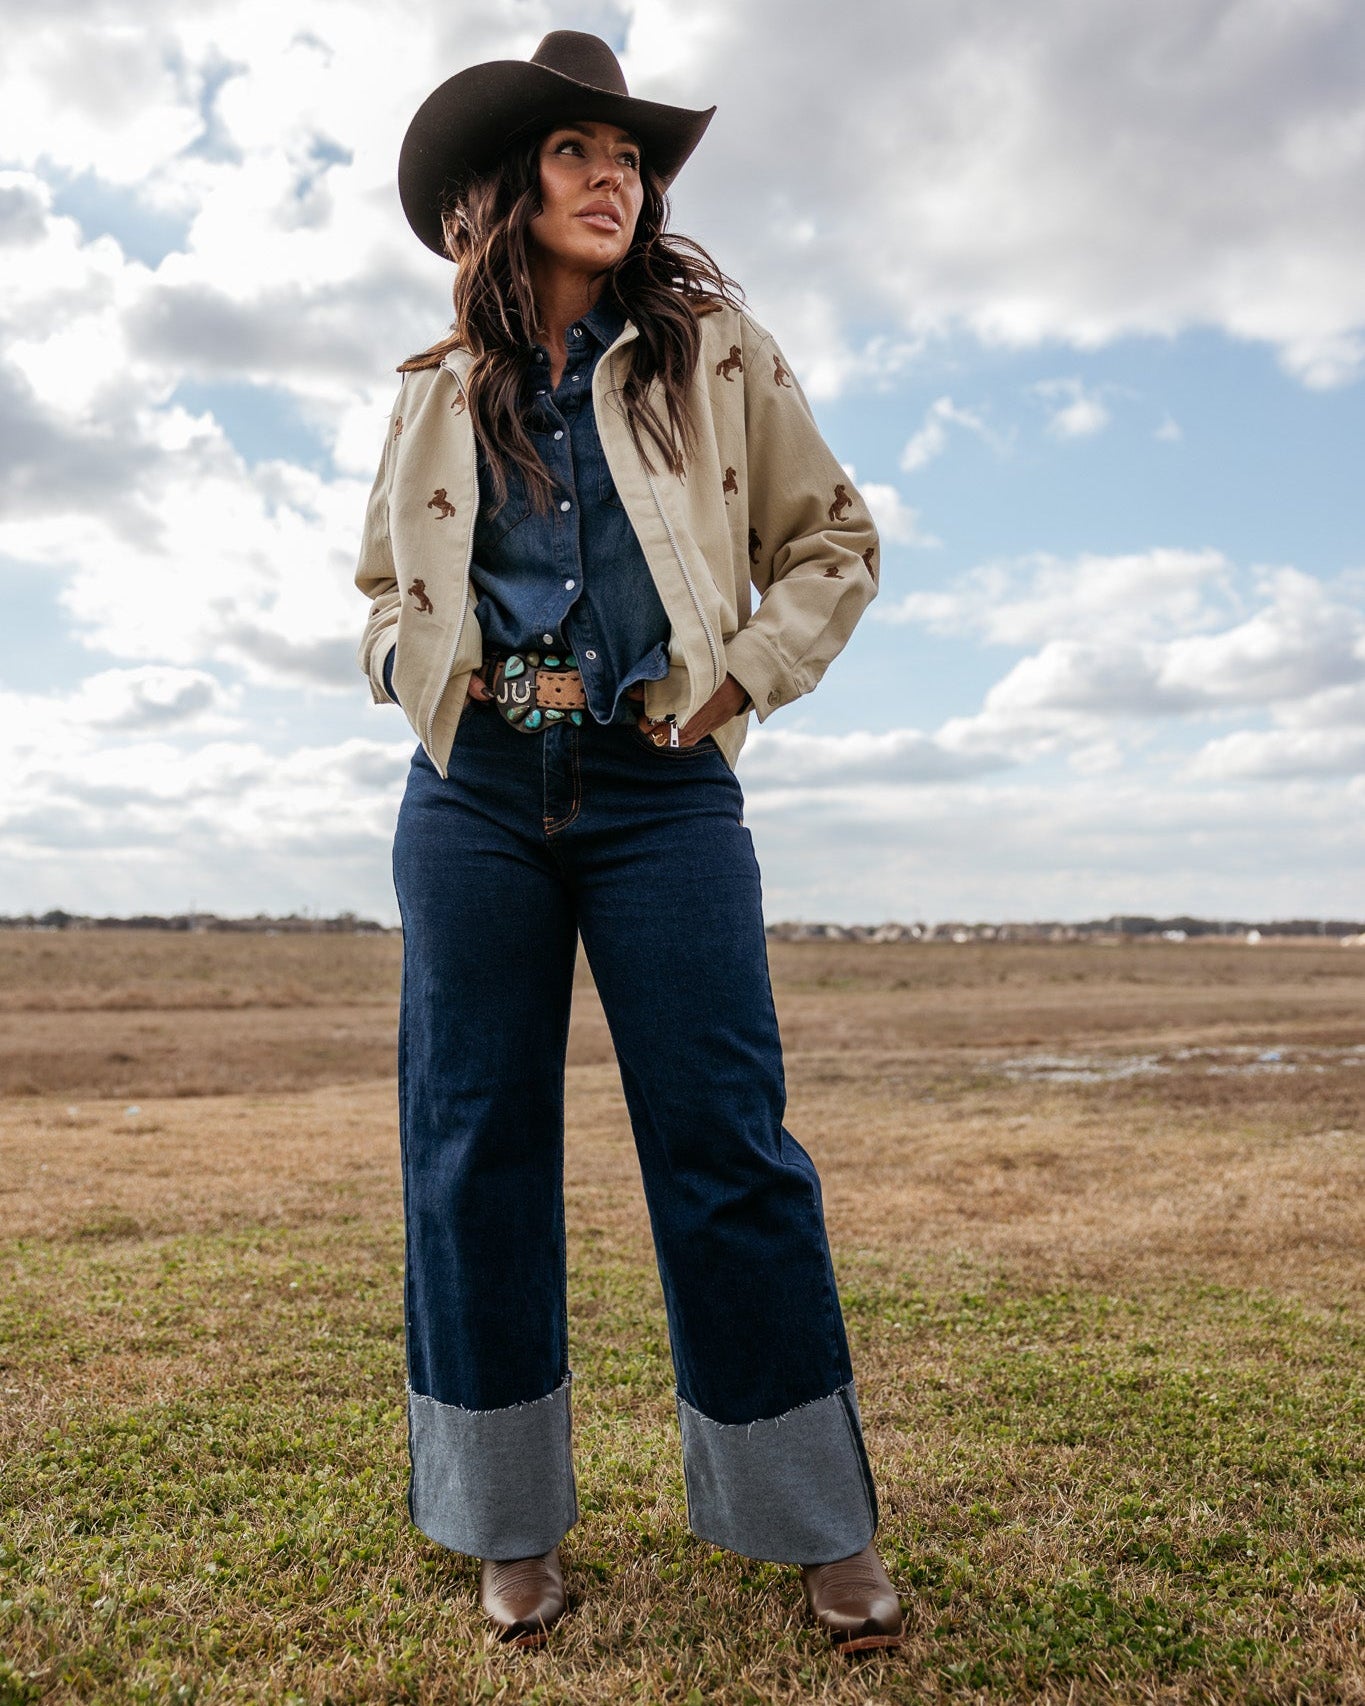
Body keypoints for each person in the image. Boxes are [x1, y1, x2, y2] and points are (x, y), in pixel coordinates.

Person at [354, 30, 901, 1656]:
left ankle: (816, 1526)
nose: (616, 180)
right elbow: (382, 589)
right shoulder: (436, 389)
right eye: (578, 153)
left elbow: (834, 538)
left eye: (631, 159)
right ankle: (506, 1526)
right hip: (473, 800)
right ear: (503, 192)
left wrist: (740, 669)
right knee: (472, 1150)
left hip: (663, 792)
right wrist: (411, 673)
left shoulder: (713, 348)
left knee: (726, 1147)